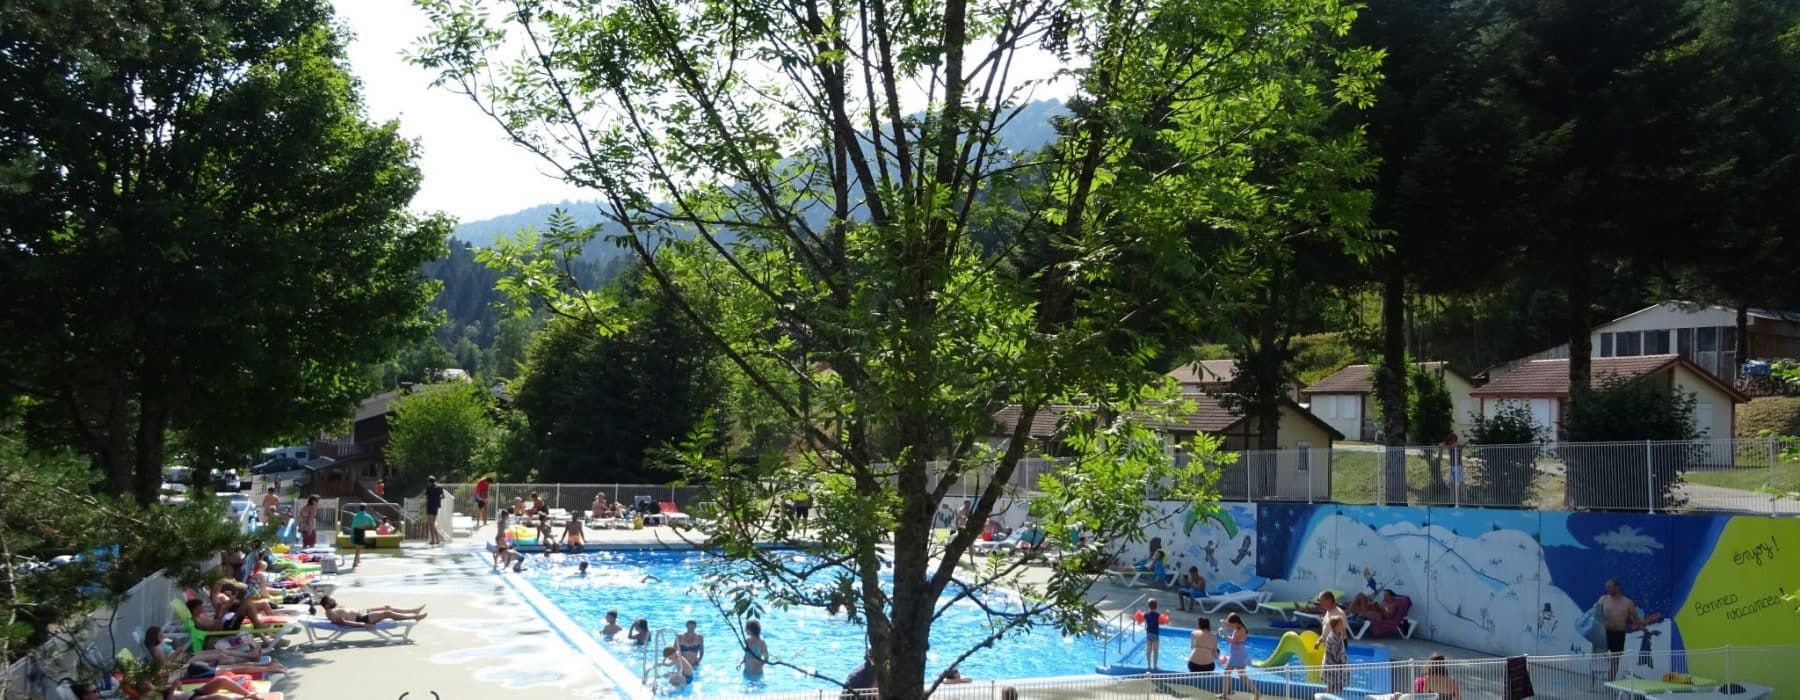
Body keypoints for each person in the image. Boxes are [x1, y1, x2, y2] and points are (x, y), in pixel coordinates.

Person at [145, 626, 285, 677]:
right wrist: (176, 653)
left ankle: (251, 656)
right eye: (160, 634)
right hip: (182, 662)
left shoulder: (159, 644)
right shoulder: (156, 649)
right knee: (220, 657)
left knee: (220, 653)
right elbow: (165, 666)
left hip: (184, 657)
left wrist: (176, 650)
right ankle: (251, 658)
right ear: (154, 636)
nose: (162, 636)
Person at [1598, 578, 1657, 680]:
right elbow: (1595, 614)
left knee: (1615, 659)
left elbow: (1636, 619)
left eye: (1610, 587)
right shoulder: (1603, 599)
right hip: (1604, 632)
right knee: (1600, 656)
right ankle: (1594, 679)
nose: (1607, 589)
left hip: (1619, 634)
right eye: (1606, 587)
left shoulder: (1628, 603)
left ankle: (1610, 681)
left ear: (1617, 587)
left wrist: (1644, 629)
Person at [319, 595, 427, 627]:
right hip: (361, 618)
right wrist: (362, 625)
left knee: (387, 607)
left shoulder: (333, 608)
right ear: (327, 604)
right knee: (387, 613)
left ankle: (414, 611)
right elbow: (343, 622)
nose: (333, 600)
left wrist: (337, 605)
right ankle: (414, 617)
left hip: (361, 612)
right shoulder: (330, 612)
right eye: (331, 600)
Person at [1219, 613, 1254, 700]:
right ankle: (1224, 694)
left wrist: (1225, 633)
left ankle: (1257, 693)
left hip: (1238, 656)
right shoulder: (1239, 627)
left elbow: (1232, 641)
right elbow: (1228, 623)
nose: (1230, 626)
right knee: (1231, 674)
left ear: (1236, 623)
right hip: (1237, 655)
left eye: (1231, 624)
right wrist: (1224, 623)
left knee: (1240, 676)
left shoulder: (1240, 631)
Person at [1317, 610, 1351, 694]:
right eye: (1341, 624)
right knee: (1331, 684)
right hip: (1331, 665)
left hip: (1333, 665)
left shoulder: (1338, 636)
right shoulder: (1332, 637)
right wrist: (1343, 663)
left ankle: (1332, 696)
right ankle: (1329, 697)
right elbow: (1337, 653)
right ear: (1335, 626)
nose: (1343, 626)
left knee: (1334, 684)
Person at [423, 475, 447, 545]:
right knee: (432, 524)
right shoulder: (439, 488)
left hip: (430, 507)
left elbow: (426, 498)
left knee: (431, 524)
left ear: (429, 481)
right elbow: (443, 496)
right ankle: (435, 540)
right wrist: (438, 498)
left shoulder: (429, 488)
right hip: (436, 507)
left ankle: (435, 540)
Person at [1143, 598, 1163, 671]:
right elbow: (1163, 622)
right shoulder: (1158, 615)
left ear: (1148, 606)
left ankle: (1148, 666)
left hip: (1149, 634)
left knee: (1148, 650)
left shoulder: (1146, 614)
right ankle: (1155, 666)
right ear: (1156, 606)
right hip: (1155, 634)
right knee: (1155, 651)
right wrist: (1168, 615)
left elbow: (1142, 622)